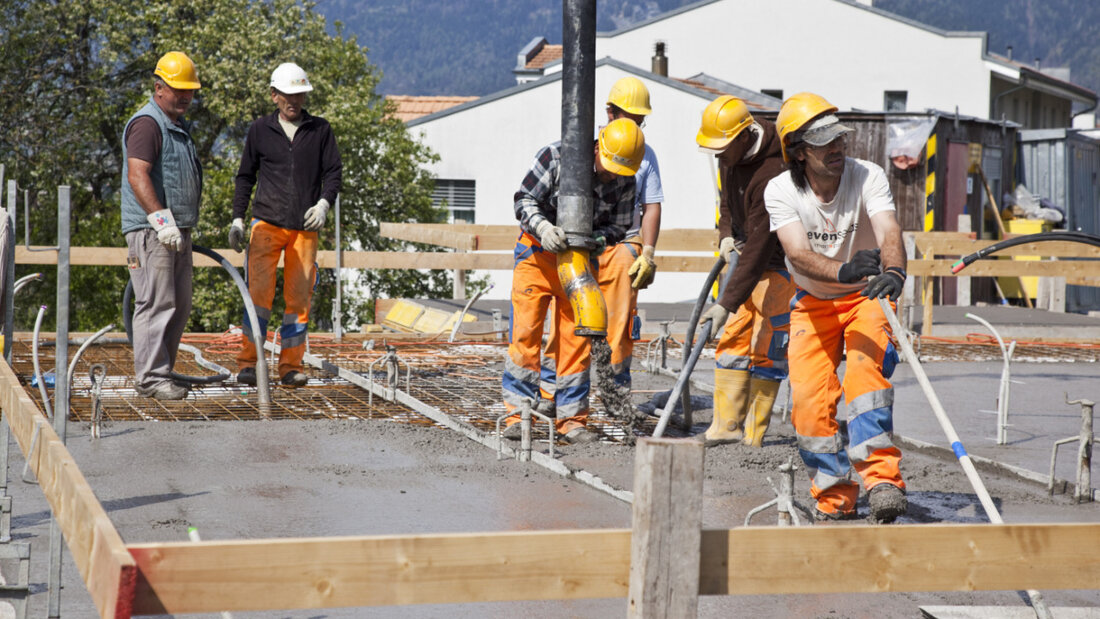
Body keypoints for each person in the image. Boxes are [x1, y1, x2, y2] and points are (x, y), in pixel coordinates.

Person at [764, 92, 908, 523]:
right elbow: (796, 253)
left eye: (840, 140)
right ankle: (834, 494)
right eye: (825, 143)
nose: (838, 149)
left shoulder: (868, 176)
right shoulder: (781, 190)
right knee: (809, 401)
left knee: (866, 382)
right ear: (799, 151)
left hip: (867, 297)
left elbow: (889, 231)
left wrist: (895, 272)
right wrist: (843, 270)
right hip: (812, 302)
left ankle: (882, 481)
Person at [501, 118, 643, 444]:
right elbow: (523, 200)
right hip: (536, 255)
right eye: (608, 168)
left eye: (618, 172)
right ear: (597, 147)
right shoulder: (555, 157)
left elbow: (619, 228)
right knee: (526, 333)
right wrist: (543, 228)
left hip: (579, 262)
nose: (611, 176)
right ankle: (517, 414)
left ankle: (572, 420)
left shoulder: (625, 180)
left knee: (576, 341)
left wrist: (596, 239)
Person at [543, 77, 664, 419]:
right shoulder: (588, 147)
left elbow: (650, 205)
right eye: (628, 117)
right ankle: (555, 387)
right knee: (570, 314)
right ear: (610, 112)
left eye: (640, 121)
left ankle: (615, 390)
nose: (634, 126)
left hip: (619, 239)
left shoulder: (644, 154)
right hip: (581, 239)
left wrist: (649, 251)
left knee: (619, 319)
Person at [230, 62, 342, 387]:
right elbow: (245, 176)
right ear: (274, 95)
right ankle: (249, 364)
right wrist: (238, 218)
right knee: (258, 297)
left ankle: (290, 367)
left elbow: (333, 172)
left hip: (304, 227)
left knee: (298, 302)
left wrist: (324, 203)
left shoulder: (320, 130)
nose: (294, 101)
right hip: (265, 223)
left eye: (299, 94)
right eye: (287, 95)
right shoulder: (260, 130)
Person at [696, 95, 795, 448]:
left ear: (743, 136)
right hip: (742, 263)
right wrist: (725, 236)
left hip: (776, 267)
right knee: (732, 342)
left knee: (766, 345)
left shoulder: (772, 173)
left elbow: (759, 247)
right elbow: (726, 202)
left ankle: (752, 436)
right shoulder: (730, 155)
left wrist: (725, 302)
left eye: (723, 149)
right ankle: (726, 426)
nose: (719, 156)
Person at [120, 51, 203, 400]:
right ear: (159, 88)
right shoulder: (147, 124)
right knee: (156, 303)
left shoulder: (175, 125)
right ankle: (151, 378)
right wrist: (160, 219)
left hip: (175, 231)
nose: (185, 96)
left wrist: (175, 225)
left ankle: (163, 372)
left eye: (189, 90)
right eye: (178, 89)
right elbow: (137, 174)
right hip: (152, 231)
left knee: (178, 304)